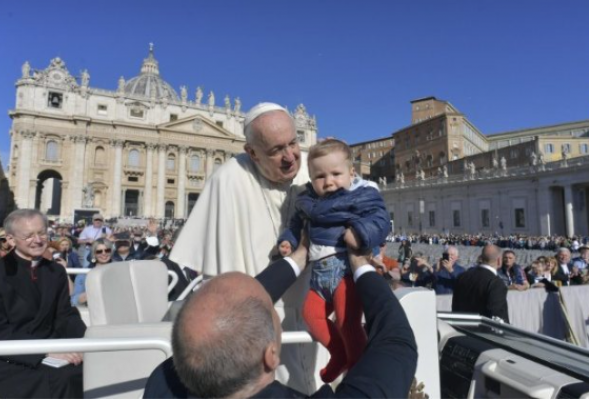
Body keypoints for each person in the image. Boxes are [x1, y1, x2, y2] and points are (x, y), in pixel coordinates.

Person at [145, 240, 417, 398]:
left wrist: (297, 258)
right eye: (270, 310)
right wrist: (362, 265)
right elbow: (396, 342)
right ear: (271, 355)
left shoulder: (161, 383)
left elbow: (231, 304)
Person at [168, 102, 312, 391]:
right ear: (252, 152)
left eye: (293, 143)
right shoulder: (228, 180)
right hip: (261, 327)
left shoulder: (314, 168)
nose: (290, 157)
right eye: (276, 150)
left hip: (314, 314)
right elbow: (228, 292)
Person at [277, 138, 390, 382]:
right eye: (320, 176)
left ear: (352, 173)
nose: (328, 182)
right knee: (310, 315)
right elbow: (296, 225)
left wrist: (360, 233)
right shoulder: (307, 201)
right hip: (318, 277)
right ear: (311, 177)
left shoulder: (362, 195)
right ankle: (338, 353)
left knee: (348, 322)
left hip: (344, 272)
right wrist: (289, 240)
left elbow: (380, 219)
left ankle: (358, 372)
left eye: (336, 174)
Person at [0, 209, 87, 398]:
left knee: (90, 367)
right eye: (29, 235)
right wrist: (44, 352)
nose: (38, 240)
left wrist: (84, 341)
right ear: (11, 239)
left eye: (41, 232)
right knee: (61, 377)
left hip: (50, 347)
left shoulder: (55, 271)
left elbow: (65, 314)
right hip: (12, 355)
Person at [452, 244, 509, 323]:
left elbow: (455, 308)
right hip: (482, 333)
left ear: (481, 258)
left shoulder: (462, 277)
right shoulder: (496, 283)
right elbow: (497, 318)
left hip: (462, 329)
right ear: (499, 260)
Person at [71, 238, 113, 306]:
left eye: (107, 250)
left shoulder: (118, 269)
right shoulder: (84, 273)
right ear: (94, 254)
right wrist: (89, 294)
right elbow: (74, 300)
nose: (104, 253)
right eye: (99, 251)